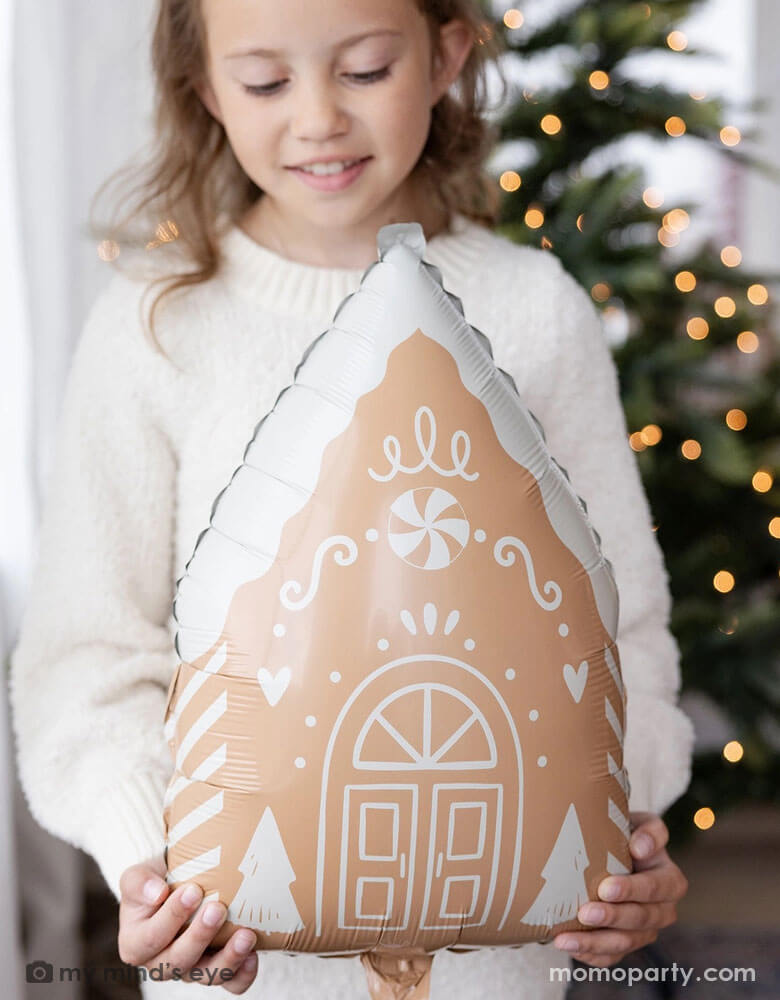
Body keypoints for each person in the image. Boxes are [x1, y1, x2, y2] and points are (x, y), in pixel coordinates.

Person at [9, 0, 694, 996]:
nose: (320, 117)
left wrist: (618, 837)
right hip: (232, 965)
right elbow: (87, 654)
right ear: (206, 87)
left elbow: (620, 633)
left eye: (366, 70)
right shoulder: (156, 327)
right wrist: (146, 861)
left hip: (496, 973)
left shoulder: (535, 313)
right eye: (266, 82)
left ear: (445, 54)